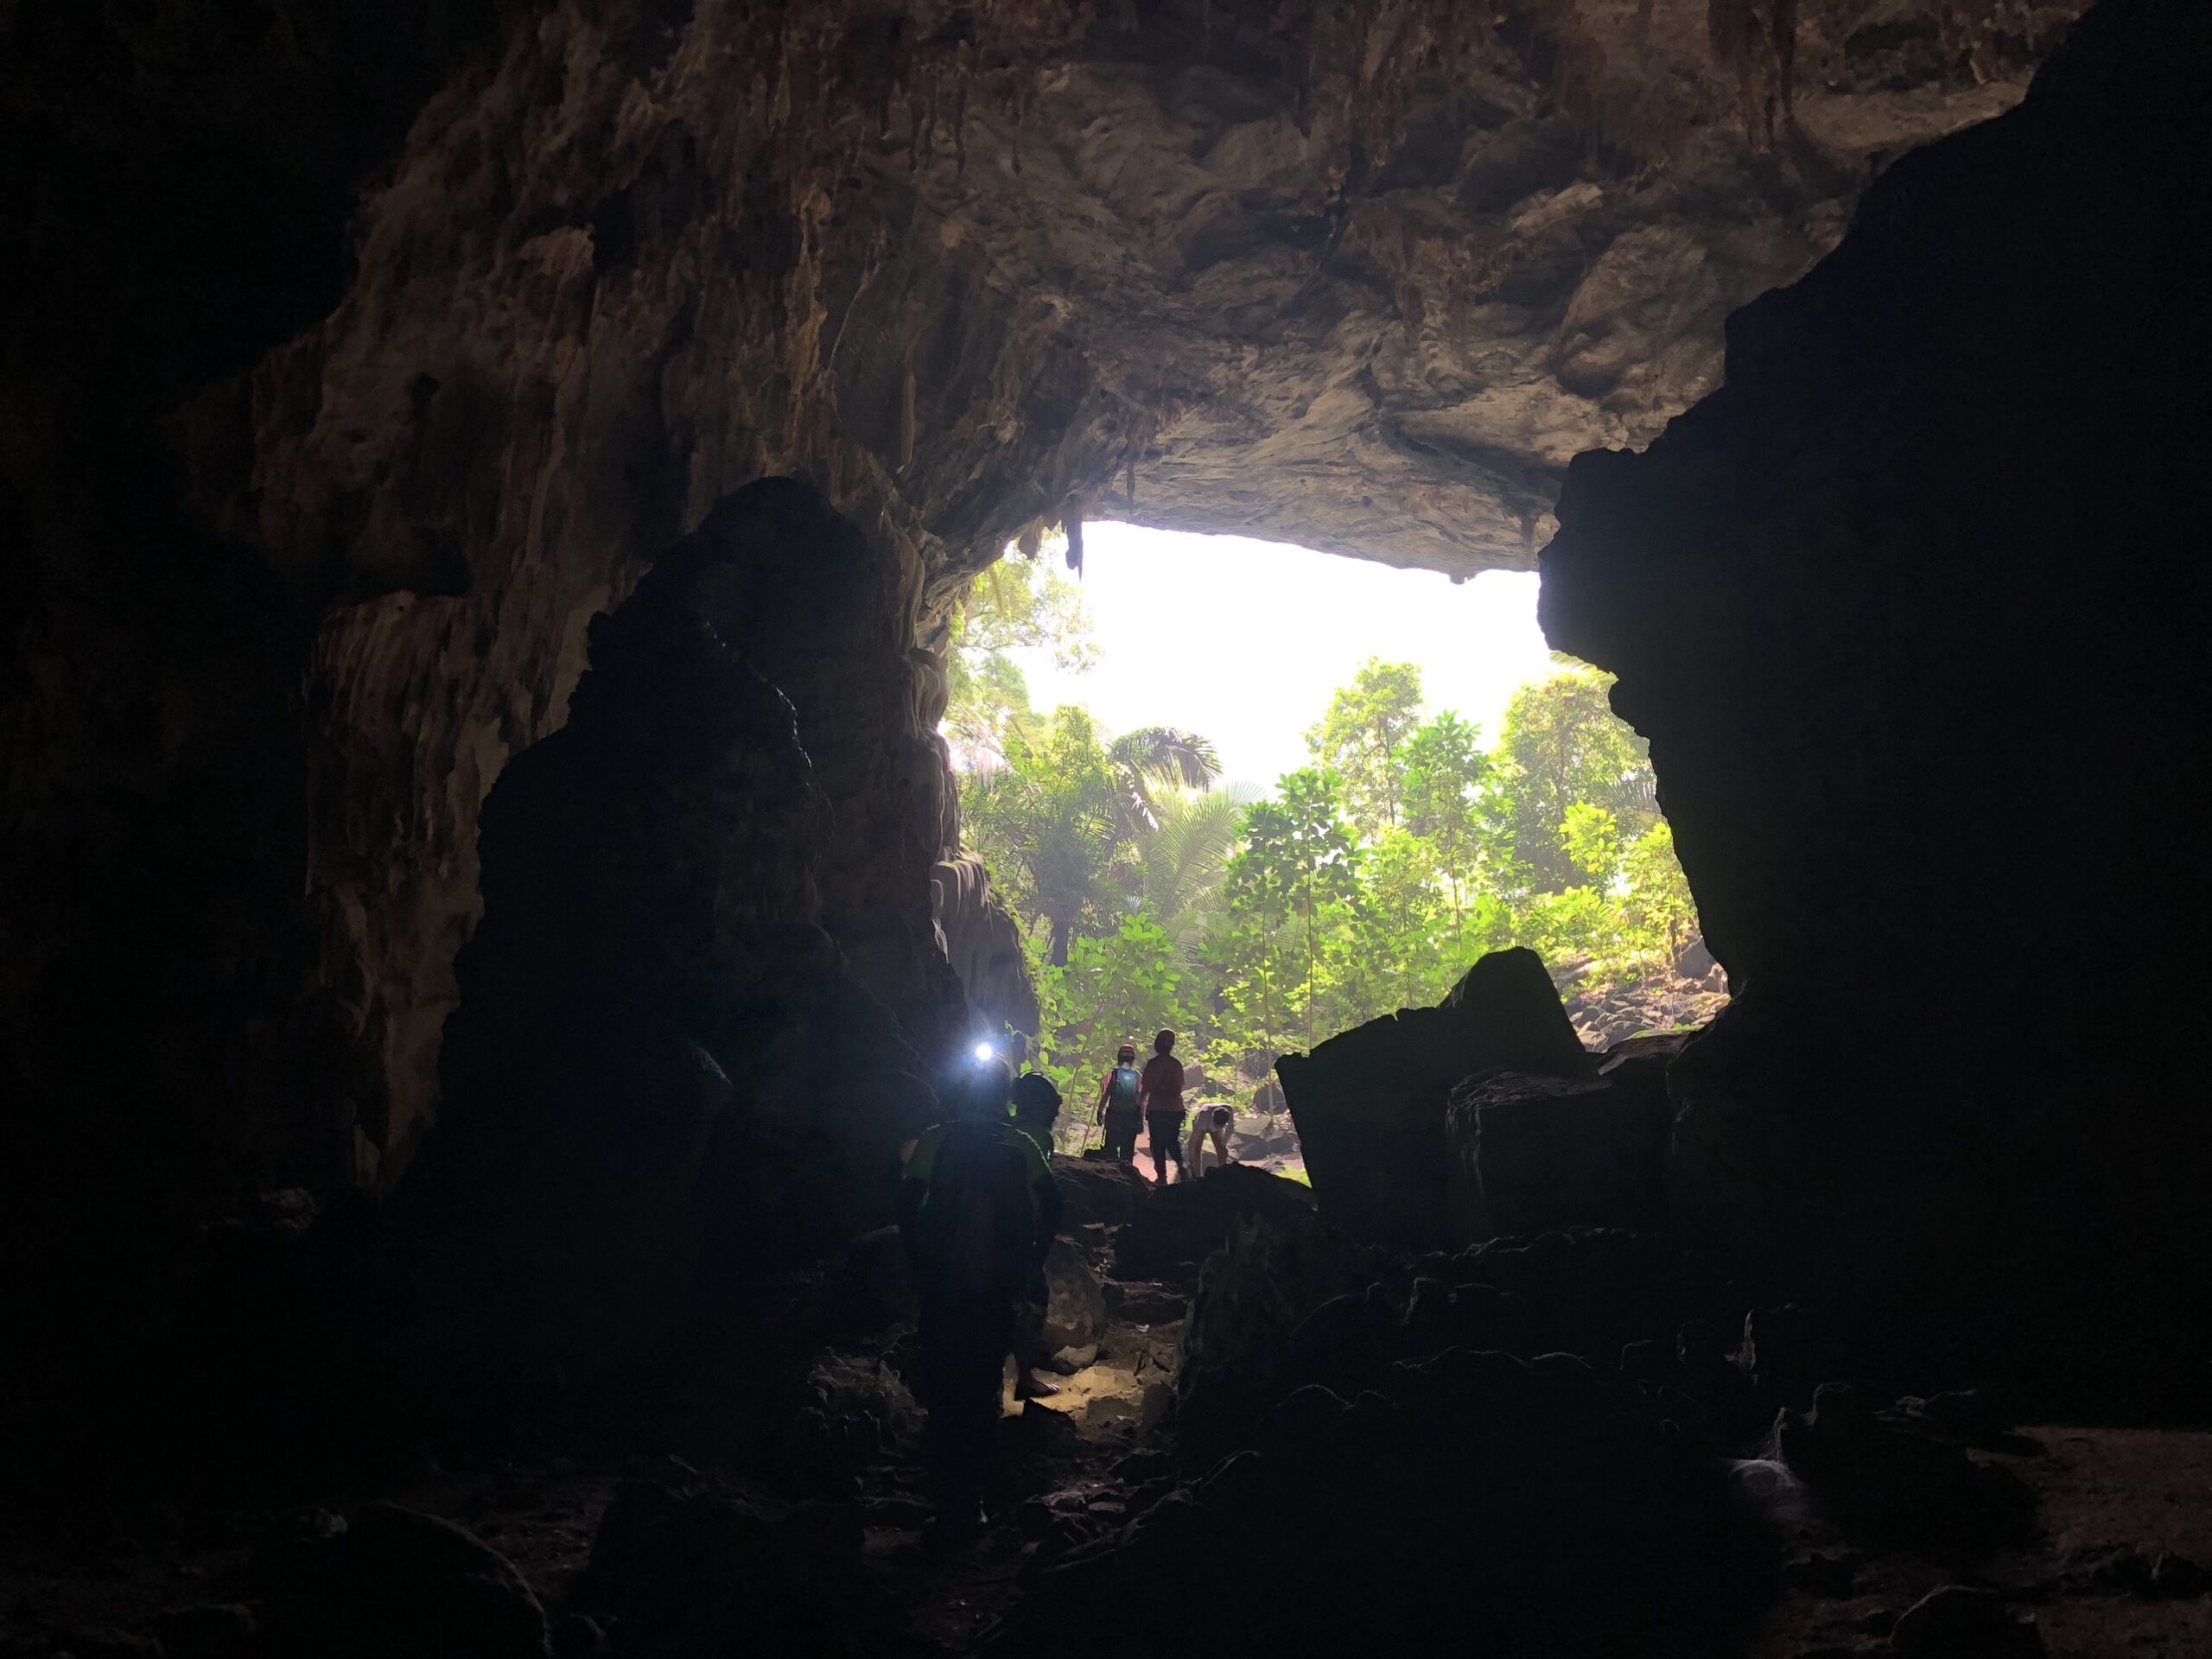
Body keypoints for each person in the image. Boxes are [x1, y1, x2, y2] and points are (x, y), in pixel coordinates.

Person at [899, 1055, 1062, 1531]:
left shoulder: (936, 1139)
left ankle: (943, 1500)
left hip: (944, 1283)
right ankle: (974, 1502)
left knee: (945, 1384)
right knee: (984, 1380)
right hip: (997, 1285)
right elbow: (1052, 1206)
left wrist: (919, 1263)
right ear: (1006, 1100)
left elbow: (908, 1205)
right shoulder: (1022, 1143)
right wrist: (1033, 1258)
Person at [1007, 1071, 1066, 1401]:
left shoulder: (1005, 1129)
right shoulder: (1037, 1137)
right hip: (1022, 1228)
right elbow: (1047, 1194)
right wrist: (1040, 1245)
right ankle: (1025, 1376)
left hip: (991, 1228)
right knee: (1033, 1302)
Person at [1140, 1028, 1186, 1187]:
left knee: (1157, 1143)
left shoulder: (1154, 1064)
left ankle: (1162, 1177)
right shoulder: (1176, 1064)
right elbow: (1180, 1088)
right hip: (1175, 1110)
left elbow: (1146, 1088)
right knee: (1172, 1141)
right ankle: (1182, 1166)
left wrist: (1139, 1106)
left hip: (1158, 1109)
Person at [1094, 1042, 1144, 1162]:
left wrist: (1100, 1112)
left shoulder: (1113, 1073)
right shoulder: (1137, 1076)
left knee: (1110, 1151)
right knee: (1127, 1154)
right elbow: (1141, 1099)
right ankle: (1126, 1177)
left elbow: (1105, 1095)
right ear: (1133, 1059)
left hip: (1114, 1118)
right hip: (1131, 1119)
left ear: (1119, 1057)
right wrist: (1141, 1119)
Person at [1182, 1103, 1234, 1180]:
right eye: (1217, 1125)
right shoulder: (1202, 1121)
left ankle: (1221, 1175)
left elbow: (1229, 1130)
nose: (1219, 1127)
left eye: (1221, 1126)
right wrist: (1191, 1159)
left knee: (1222, 1152)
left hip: (1215, 1123)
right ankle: (1197, 1176)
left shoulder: (1229, 1111)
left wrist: (1223, 1145)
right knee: (1197, 1149)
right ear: (1213, 1119)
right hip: (1202, 1123)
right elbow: (1193, 1141)